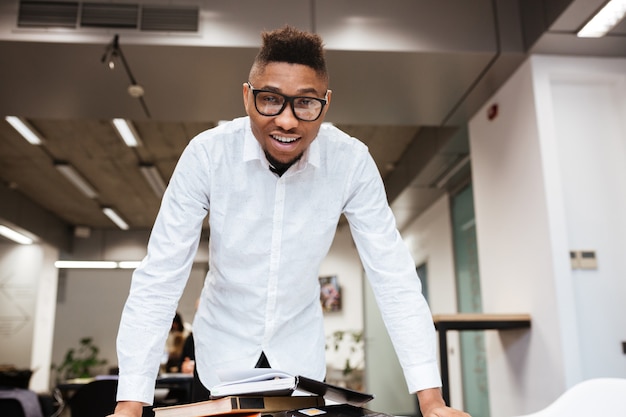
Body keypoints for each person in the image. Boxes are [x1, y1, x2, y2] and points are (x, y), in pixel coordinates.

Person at [110, 26, 470, 417]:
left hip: (299, 362)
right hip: (219, 360)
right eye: (270, 100)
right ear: (247, 97)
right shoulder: (207, 156)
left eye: (305, 104)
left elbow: (394, 277)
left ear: (325, 104)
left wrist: (431, 401)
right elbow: (160, 277)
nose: (287, 121)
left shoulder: (350, 161)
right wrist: (131, 404)